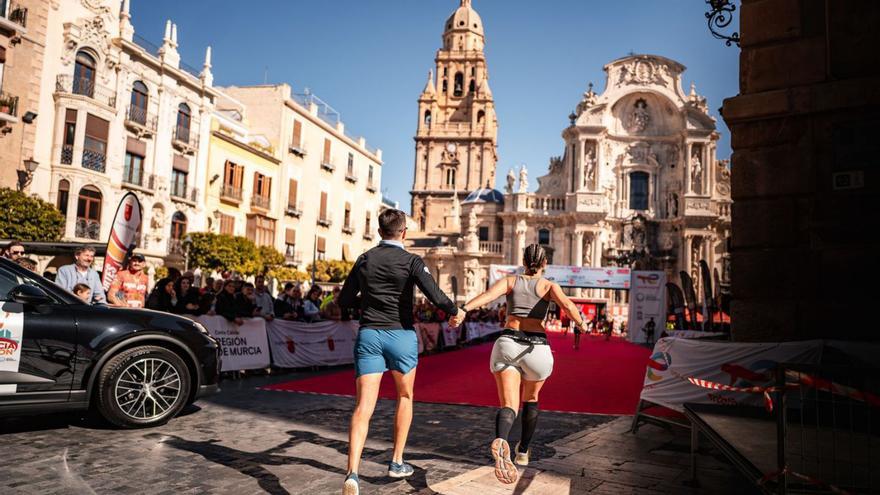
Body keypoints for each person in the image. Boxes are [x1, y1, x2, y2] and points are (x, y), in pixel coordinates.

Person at [337, 208, 460, 495]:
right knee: (405, 396)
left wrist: (367, 303)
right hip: (401, 335)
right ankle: (396, 461)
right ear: (404, 232)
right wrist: (454, 311)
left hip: (369, 334)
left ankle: (352, 474)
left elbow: (344, 300)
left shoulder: (365, 259)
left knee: (363, 407)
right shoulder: (412, 261)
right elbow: (435, 295)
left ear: (379, 232)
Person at [449, 244, 589, 485]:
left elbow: (488, 296)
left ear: (523, 261)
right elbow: (567, 305)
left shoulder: (511, 281)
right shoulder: (549, 285)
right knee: (531, 399)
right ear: (545, 264)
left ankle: (502, 438)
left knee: (509, 404)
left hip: (508, 343)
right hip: (536, 348)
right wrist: (581, 324)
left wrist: (463, 309)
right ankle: (522, 450)